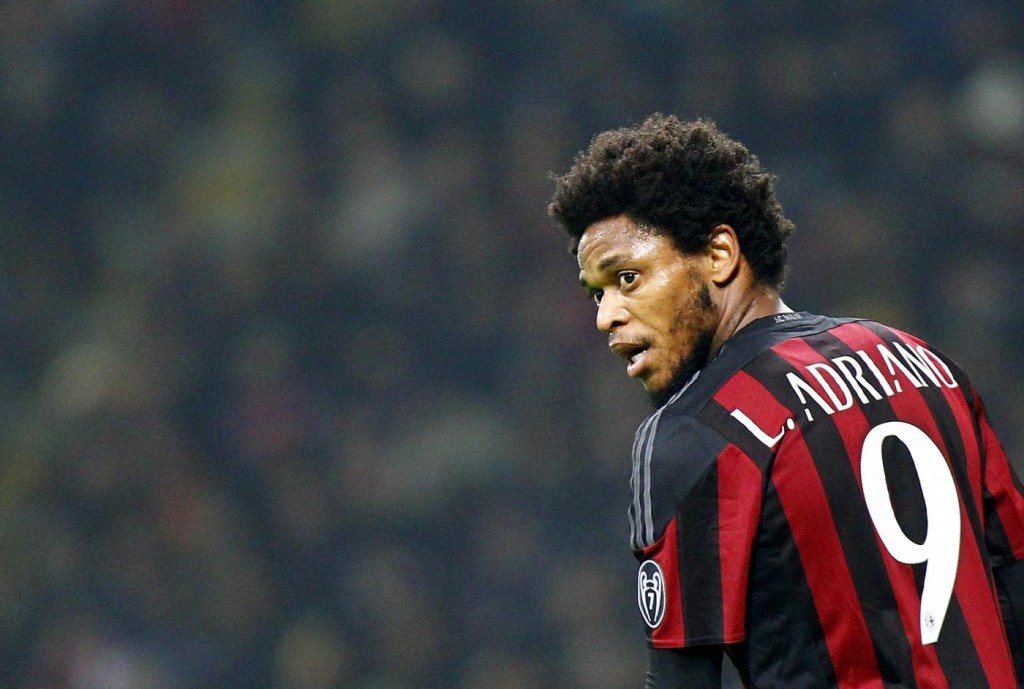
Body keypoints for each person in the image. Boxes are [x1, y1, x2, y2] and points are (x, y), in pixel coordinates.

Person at [547, 113, 1024, 688]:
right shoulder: (924, 363)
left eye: (627, 278)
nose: (606, 316)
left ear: (719, 254)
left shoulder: (695, 430)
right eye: (595, 295)